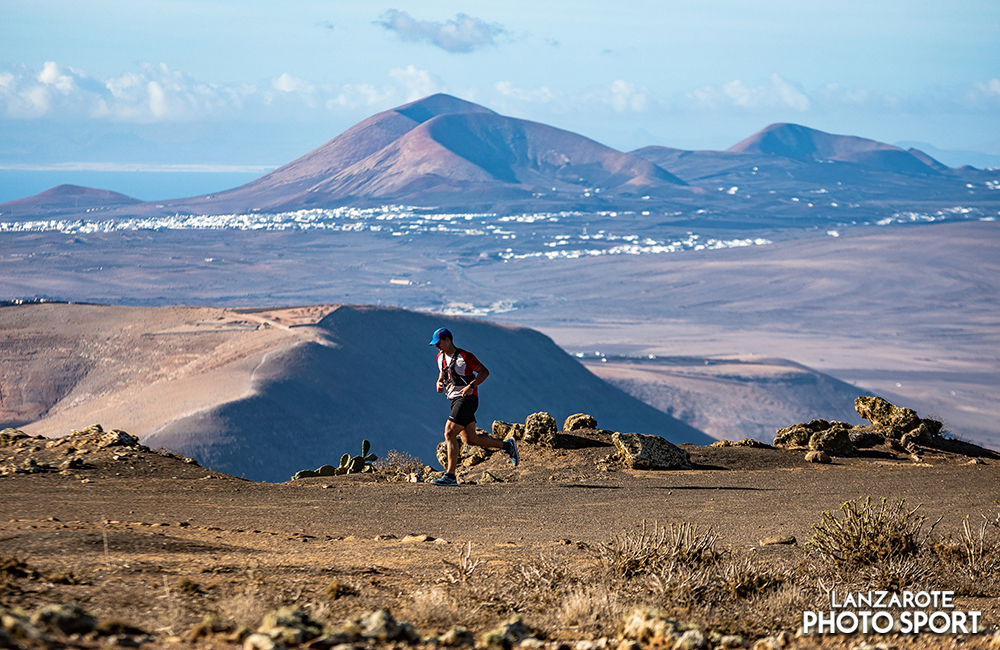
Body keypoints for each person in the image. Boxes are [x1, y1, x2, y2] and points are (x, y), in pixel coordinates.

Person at [429, 327, 518, 486]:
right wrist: (439, 382)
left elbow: (484, 372)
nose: (437, 346)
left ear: (448, 340)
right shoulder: (440, 357)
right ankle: (507, 445)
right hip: (453, 400)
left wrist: (472, 385)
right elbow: (443, 373)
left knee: (449, 432)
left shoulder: (465, 357)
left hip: (468, 399)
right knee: (471, 439)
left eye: (439, 343)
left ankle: (450, 476)